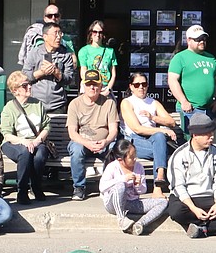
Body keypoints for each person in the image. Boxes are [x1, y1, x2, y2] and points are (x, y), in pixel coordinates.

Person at [165, 113, 216, 237]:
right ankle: (213, 227)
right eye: (207, 134)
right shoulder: (179, 155)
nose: (211, 137)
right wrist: (193, 208)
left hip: (210, 198)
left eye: (212, 133)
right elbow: (178, 186)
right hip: (188, 199)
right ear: (195, 135)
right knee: (176, 211)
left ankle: (202, 229)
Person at [119, 72, 177, 196]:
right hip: (134, 142)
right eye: (137, 84)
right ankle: (159, 182)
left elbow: (171, 122)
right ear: (131, 86)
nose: (141, 87)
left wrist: (153, 117)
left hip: (153, 140)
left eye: (144, 84)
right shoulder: (127, 102)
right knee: (160, 142)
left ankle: (158, 182)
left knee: (159, 139)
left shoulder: (153, 103)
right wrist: (162, 129)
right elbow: (137, 129)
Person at [0, 70, 51, 203]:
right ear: (15, 91)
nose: (29, 87)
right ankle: (22, 190)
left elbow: (46, 126)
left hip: (36, 141)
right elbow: (7, 134)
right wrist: (24, 141)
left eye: (29, 84)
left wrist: (38, 140)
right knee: (25, 153)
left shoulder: (37, 104)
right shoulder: (9, 108)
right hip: (14, 143)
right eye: (25, 85)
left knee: (40, 155)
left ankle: (36, 186)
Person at [65, 68, 119, 200]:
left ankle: (108, 187)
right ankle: (79, 187)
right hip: (82, 142)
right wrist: (87, 143)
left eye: (95, 84)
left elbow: (114, 130)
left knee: (114, 149)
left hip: (103, 143)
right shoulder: (74, 104)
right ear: (84, 85)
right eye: (89, 84)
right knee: (76, 149)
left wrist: (105, 142)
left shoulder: (109, 103)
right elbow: (72, 133)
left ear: (101, 86)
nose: (92, 87)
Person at [99, 139, 168, 235]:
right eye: (131, 157)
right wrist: (123, 179)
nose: (135, 159)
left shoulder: (139, 167)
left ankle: (140, 224)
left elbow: (143, 190)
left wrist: (138, 185)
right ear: (121, 160)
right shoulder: (112, 167)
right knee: (120, 186)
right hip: (113, 204)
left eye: (135, 155)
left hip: (132, 202)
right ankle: (121, 219)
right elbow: (102, 187)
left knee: (163, 202)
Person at [167, 25, 216, 133]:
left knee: (207, 140)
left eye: (204, 39)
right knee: (190, 140)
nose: (202, 42)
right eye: (198, 39)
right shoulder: (180, 57)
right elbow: (172, 80)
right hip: (190, 108)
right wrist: (183, 101)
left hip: (209, 108)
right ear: (189, 40)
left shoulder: (211, 57)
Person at [22, 21, 76, 113]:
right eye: (55, 34)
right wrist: (40, 73)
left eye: (60, 33)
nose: (59, 37)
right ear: (45, 37)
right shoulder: (34, 53)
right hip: (35, 104)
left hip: (58, 104)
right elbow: (24, 76)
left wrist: (57, 73)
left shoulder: (66, 55)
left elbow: (69, 79)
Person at [77, 20, 117, 95]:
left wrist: (108, 89)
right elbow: (83, 72)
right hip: (89, 86)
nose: (97, 35)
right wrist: (91, 88)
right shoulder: (84, 51)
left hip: (105, 87)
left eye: (100, 32)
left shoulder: (110, 51)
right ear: (91, 34)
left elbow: (113, 74)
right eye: (95, 32)